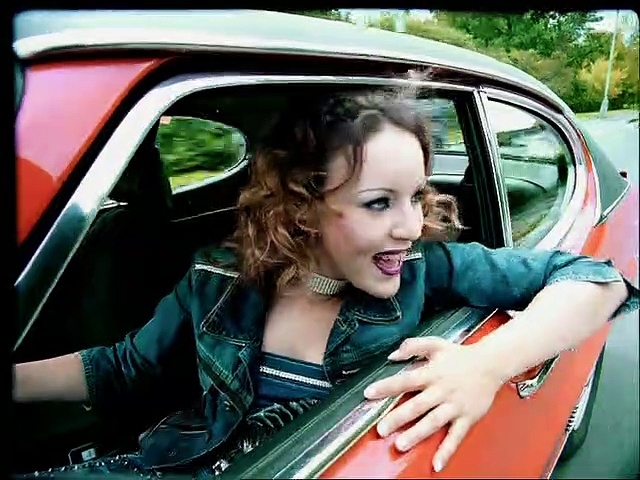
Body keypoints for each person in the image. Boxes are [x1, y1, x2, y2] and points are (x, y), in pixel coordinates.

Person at [13, 89, 639, 478]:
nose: (411, 226)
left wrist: (486, 364)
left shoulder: (427, 269)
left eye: (416, 197)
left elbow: (598, 279)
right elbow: (123, 368)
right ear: (305, 207)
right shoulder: (216, 276)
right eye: (379, 203)